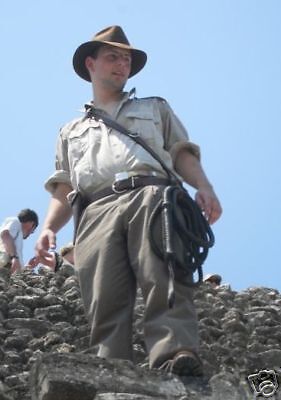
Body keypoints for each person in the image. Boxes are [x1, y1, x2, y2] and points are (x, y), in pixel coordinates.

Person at [35, 25, 222, 376]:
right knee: (103, 299)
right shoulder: (70, 131)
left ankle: (174, 356)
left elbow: (182, 153)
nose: (122, 65)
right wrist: (47, 227)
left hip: (150, 194)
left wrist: (204, 187)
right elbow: (63, 187)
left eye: (127, 59)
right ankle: (112, 370)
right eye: (113, 57)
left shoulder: (155, 108)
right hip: (95, 210)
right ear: (91, 63)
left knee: (165, 274)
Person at [0, 208, 38, 274]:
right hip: (4, 263)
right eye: (32, 231)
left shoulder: (18, 236)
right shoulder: (15, 221)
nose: (30, 234)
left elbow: (16, 267)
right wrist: (14, 257)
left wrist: (27, 267)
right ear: (31, 224)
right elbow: (5, 235)